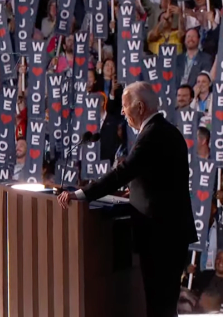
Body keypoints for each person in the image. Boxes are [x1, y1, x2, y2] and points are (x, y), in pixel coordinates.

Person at [58, 81, 197, 317]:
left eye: (124, 107)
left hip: (161, 236)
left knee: (159, 305)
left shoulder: (153, 135)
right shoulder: (167, 131)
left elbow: (124, 172)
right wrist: (131, 192)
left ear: (140, 107)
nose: (122, 112)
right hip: (170, 234)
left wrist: (81, 194)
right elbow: (159, 179)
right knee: (163, 304)